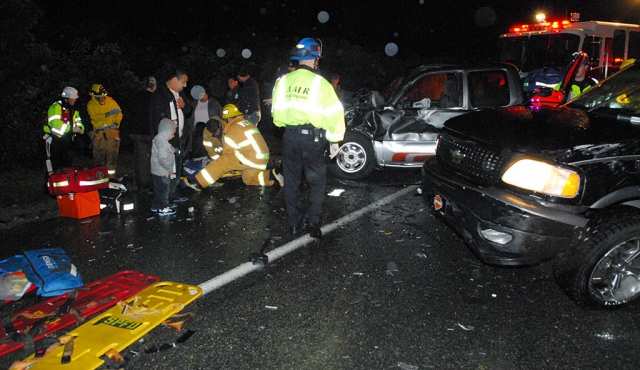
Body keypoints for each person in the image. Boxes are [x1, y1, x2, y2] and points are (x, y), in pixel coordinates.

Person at [271, 37, 346, 238]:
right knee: (316, 181)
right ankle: (313, 223)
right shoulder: (321, 84)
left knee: (292, 182)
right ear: (314, 60)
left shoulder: (283, 81)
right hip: (313, 140)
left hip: (290, 138)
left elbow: (276, 116)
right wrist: (334, 139)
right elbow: (335, 115)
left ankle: (294, 224)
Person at [193, 104, 283, 189]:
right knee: (247, 179)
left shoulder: (231, 130)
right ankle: (272, 177)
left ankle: (198, 182)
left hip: (251, 157)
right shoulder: (246, 123)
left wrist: (230, 167)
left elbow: (227, 153)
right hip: (262, 158)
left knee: (222, 162)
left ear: (226, 120)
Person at [149, 70, 190, 203]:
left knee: (177, 166)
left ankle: (173, 191)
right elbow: (157, 118)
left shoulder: (180, 94)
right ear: (174, 80)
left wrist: (185, 106)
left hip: (179, 137)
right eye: (183, 81)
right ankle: (164, 197)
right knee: (166, 168)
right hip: (167, 139)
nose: (185, 85)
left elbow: (189, 109)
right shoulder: (160, 95)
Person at [44, 87, 85, 173]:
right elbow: (54, 123)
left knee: (67, 165)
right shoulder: (56, 107)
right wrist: (70, 129)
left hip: (68, 140)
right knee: (54, 166)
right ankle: (51, 183)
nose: (74, 100)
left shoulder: (73, 109)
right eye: (73, 99)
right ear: (67, 98)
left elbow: (78, 121)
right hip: (55, 140)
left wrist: (80, 129)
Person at [86, 84, 123, 179]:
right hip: (98, 134)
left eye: (103, 96)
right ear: (94, 96)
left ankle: (111, 178)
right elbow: (95, 117)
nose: (102, 98)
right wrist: (108, 114)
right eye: (100, 97)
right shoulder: (90, 104)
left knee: (112, 157)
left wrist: (116, 123)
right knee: (98, 158)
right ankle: (100, 178)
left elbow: (119, 113)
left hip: (112, 132)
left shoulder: (110, 101)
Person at [128, 76, 156, 192]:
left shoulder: (136, 97)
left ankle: (142, 184)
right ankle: (149, 184)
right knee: (151, 159)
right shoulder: (154, 99)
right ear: (154, 86)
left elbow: (130, 114)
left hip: (137, 132)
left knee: (141, 159)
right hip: (149, 133)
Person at [150, 118, 178, 216]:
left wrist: (171, 149)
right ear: (166, 131)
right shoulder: (163, 142)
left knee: (158, 189)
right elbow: (162, 158)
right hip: (163, 171)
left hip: (156, 170)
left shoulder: (158, 139)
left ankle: (156, 205)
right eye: (172, 133)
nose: (173, 136)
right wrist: (170, 169)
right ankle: (163, 207)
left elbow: (162, 151)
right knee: (164, 189)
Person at [187, 85, 222, 158]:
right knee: (197, 150)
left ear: (207, 94)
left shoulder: (214, 103)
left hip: (209, 131)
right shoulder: (194, 103)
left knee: (208, 149)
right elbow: (189, 116)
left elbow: (219, 116)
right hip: (197, 131)